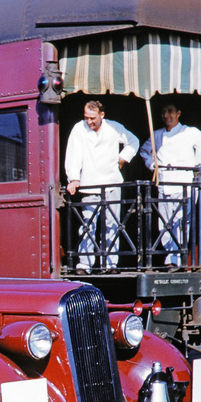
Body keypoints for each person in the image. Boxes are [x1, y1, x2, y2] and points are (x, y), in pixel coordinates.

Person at [139, 102, 201, 266]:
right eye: (164, 112)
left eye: (170, 111)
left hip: (185, 187)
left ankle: (175, 259)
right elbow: (144, 151)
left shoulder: (189, 132)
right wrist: (153, 165)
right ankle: (172, 257)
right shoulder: (157, 135)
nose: (166, 115)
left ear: (178, 113)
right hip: (164, 185)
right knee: (164, 224)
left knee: (181, 223)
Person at [64, 100, 139, 273]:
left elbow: (133, 141)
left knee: (112, 223)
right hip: (90, 183)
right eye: (86, 117)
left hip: (112, 182)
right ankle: (85, 264)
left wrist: (122, 158)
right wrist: (74, 178)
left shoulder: (113, 127)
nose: (89, 121)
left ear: (102, 115)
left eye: (92, 118)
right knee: (88, 224)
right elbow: (73, 154)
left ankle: (110, 264)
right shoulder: (79, 128)